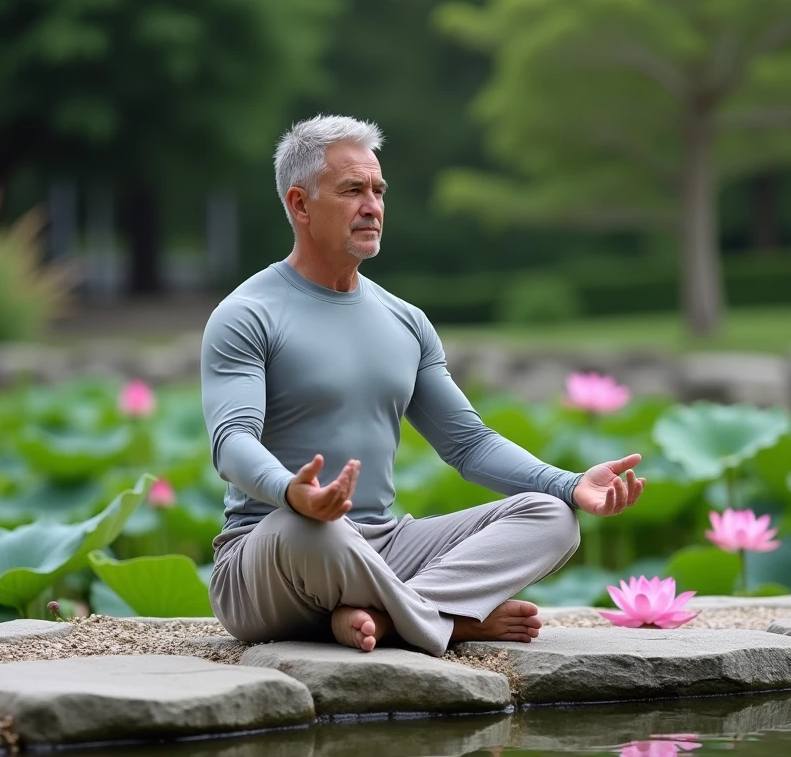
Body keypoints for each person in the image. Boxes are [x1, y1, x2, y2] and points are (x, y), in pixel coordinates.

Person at [201, 114, 647, 657]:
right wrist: (293, 492)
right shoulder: (247, 313)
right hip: (271, 551)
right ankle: (448, 620)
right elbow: (232, 443)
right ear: (300, 205)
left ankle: (386, 619)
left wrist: (570, 483)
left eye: (378, 190)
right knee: (310, 531)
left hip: (384, 546)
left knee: (551, 518)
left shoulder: (405, 320)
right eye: (352, 191)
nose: (373, 206)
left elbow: (468, 444)